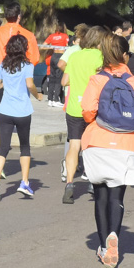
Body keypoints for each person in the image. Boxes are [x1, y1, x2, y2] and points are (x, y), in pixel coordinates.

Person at [80, 33, 134, 268]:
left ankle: (103, 246)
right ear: (124, 56)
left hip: (98, 142)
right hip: (126, 145)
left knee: (99, 196)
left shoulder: (97, 80)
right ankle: (114, 234)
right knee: (116, 196)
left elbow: (88, 111)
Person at [0, 2, 39, 163]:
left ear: (5, 16)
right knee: (21, 114)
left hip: (0, 78)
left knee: (0, 119)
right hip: (19, 79)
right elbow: (35, 58)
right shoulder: (27, 34)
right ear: (19, 16)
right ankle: (23, 152)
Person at [0, 35, 42, 201]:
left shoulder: (3, 65)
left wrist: (8, 82)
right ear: (24, 48)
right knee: (25, 147)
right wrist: (37, 95)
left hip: (5, 111)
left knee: (3, 147)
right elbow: (29, 84)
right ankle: (24, 182)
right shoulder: (27, 65)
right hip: (22, 111)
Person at [58, 26, 106, 204]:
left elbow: (65, 80)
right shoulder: (100, 58)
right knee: (93, 147)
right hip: (93, 108)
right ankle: (93, 182)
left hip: (73, 107)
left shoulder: (75, 56)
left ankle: (70, 183)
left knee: (74, 146)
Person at [43, 23, 70, 106]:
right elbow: (67, 46)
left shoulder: (51, 36)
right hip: (60, 56)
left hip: (53, 56)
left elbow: (42, 46)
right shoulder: (65, 36)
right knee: (58, 78)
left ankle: (50, 99)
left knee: (52, 77)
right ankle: (56, 100)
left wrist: (53, 47)